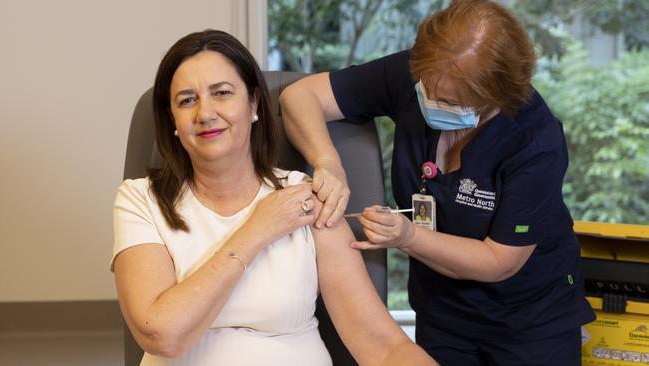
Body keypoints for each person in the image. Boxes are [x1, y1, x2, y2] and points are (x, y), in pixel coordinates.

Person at [279, 0, 595, 364]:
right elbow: (299, 95)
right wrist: (327, 161)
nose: (430, 101)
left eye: (449, 101)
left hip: (530, 322)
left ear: (496, 97)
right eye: (426, 88)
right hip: (442, 314)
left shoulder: (534, 141)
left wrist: (407, 236)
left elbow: (499, 261)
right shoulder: (418, 72)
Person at [110, 30, 436, 366]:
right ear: (172, 120)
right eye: (187, 100)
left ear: (253, 104)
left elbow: (383, 346)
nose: (205, 113)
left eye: (221, 93)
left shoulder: (305, 198)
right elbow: (162, 334)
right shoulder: (140, 201)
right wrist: (258, 228)